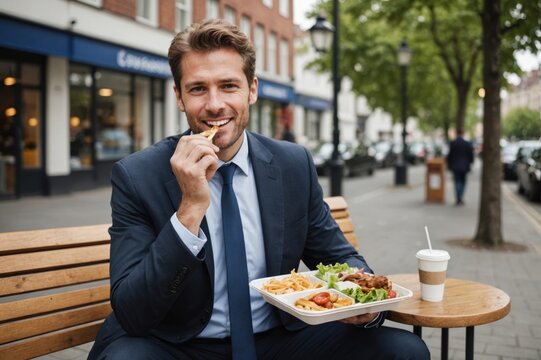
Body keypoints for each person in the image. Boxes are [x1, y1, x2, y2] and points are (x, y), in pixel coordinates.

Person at [88, 19, 429, 360]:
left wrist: (365, 303)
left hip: (279, 338)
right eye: (197, 89)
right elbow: (133, 311)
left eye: (228, 86)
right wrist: (189, 207)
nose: (215, 104)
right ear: (178, 97)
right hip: (182, 345)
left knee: (404, 351)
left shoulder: (291, 164)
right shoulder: (138, 175)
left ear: (251, 90)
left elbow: (339, 258)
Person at [447, 129, 474, 205]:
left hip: (455, 166)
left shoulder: (453, 143)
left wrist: (449, 165)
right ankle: (460, 196)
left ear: (456, 133)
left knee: (457, 182)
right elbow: (471, 155)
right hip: (465, 166)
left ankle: (458, 196)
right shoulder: (467, 143)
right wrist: (471, 162)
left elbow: (450, 155)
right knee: (463, 182)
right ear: (463, 133)